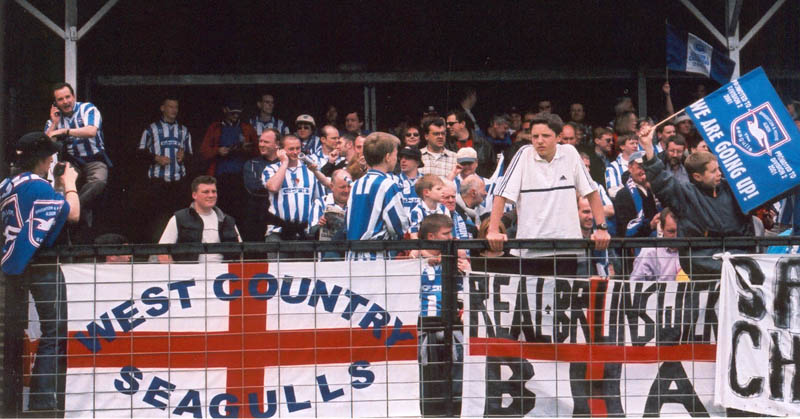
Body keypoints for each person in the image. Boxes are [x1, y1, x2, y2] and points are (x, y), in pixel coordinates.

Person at [1, 132, 80, 413]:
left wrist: (56, 185)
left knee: (13, 332)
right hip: (41, 264)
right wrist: (69, 184)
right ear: (42, 159)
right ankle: (43, 403)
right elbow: (72, 214)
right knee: (53, 332)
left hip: (12, 264)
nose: (51, 160)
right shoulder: (37, 186)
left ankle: (15, 403)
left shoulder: (8, 183)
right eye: (49, 156)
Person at [486, 115, 610, 277]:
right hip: (530, 249)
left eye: (545, 136)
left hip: (566, 249)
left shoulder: (570, 153)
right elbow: (500, 194)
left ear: (558, 137)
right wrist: (493, 230)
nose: (539, 141)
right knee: (531, 302)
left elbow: (592, 193)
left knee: (564, 302)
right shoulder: (523, 154)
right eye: (535, 136)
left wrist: (601, 228)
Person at [638, 126, 753, 279]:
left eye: (718, 169)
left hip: (739, 264)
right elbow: (660, 180)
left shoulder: (732, 188)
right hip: (704, 267)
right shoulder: (685, 194)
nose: (719, 174)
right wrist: (648, 147)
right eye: (713, 171)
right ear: (697, 177)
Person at [44, 82, 110, 238]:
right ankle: (63, 217)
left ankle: (69, 211)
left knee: (99, 181)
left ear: (73, 96)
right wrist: (54, 124)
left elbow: (91, 131)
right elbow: (44, 145)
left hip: (94, 158)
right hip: (72, 160)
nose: (65, 102)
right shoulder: (54, 120)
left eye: (68, 97)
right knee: (60, 181)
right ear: (55, 103)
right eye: (60, 99)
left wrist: (65, 131)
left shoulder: (87, 109)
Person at [416, 214, 466, 417]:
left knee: (459, 356)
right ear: (431, 236)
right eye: (446, 234)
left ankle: (456, 405)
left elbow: (466, 291)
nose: (451, 237)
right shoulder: (410, 259)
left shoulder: (456, 260)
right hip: (421, 324)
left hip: (452, 322)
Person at [137, 96, 193, 243]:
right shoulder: (151, 129)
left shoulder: (183, 130)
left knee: (178, 217)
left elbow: (192, 155)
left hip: (178, 181)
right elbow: (139, 152)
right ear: (163, 108)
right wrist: (155, 158)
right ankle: (155, 250)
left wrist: (184, 156)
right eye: (170, 106)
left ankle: (177, 251)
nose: (174, 110)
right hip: (158, 181)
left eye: (176, 107)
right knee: (156, 217)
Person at [346, 132, 410, 260]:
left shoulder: (356, 184)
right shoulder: (388, 185)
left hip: (352, 256)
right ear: (387, 157)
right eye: (395, 155)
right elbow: (398, 226)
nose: (396, 159)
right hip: (375, 257)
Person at [262, 135, 326, 259]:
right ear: (280, 150)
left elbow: (320, 199)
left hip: (305, 232)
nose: (295, 152)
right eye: (291, 149)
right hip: (278, 231)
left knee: (304, 274)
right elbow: (273, 187)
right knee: (278, 274)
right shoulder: (270, 169)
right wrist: (284, 163)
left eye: (298, 148)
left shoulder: (310, 171)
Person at [199, 97, 258, 226]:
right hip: (220, 177)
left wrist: (246, 149)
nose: (235, 116)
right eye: (233, 113)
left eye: (238, 113)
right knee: (221, 210)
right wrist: (217, 151)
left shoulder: (246, 128)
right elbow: (203, 152)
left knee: (242, 210)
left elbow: (257, 151)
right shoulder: (215, 128)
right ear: (225, 110)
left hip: (241, 177)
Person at [157, 176, 241, 264]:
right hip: (189, 275)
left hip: (223, 275)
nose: (211, 195)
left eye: (214, 191)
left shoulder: (228, 220)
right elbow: (162, 252)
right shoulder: (179, 218)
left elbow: (240, 252)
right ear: (194, 195)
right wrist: (177, 274)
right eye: (206, 192)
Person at [241, 128, 281, 242]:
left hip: (280, 219)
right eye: (260, 141)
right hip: (258, 217)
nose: (261, 145)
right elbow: (254, 188)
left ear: (277, 144)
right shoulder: (251, 164)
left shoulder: (285, 163)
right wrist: (276, 186)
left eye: (266, 142)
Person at [630, 208, 682, 281]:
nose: (676, 236)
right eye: (671, 231)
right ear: (661, 228)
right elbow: (635, 285)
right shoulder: (650, 252)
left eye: (680, 231)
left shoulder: (693, 250)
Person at [409, 175, 448, 239]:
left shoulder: (444, 209)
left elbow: (448, 230)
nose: (443, 192)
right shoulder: (417, 211)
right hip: (423, 246)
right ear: (426, 192)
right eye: (439, 189)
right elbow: (414, 236)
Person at [605, 132, 639, 196]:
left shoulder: (643, 162)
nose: (635, 146)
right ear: (622, 147)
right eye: (632, 143)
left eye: (637, 143)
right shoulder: (613, 167)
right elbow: (612, 192)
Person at [396, 146, 424, 212]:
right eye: (401, 158)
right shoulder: (394, 180)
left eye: (408, 158)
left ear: (418, 162)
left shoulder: (426, 181)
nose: (403, 161)